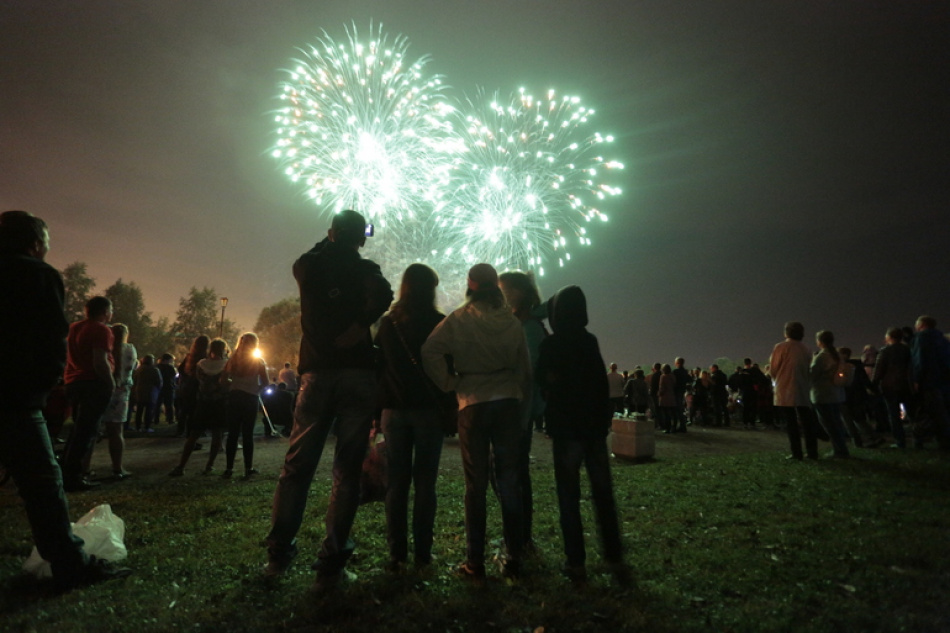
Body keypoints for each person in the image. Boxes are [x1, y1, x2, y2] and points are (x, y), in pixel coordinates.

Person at [0, 210, 130, 589]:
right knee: (42, 483)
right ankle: (70, 564)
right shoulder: (38, 275)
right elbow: (48, 341)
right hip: (16, 398)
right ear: (36, 243)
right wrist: (40, 388)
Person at [264, 209, 393, 589]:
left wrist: (331, 236)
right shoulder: (368, 269)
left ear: (332, 233)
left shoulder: (309, 267)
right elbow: (383, 293)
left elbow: (311, 257)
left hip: (317, 372)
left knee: (297, 467)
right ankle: (332, 562)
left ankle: (279, 553)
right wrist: (360, 324)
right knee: (347, 471)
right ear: (362, 238)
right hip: (356, 372)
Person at [422, 263, 532, 580]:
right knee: (509, 482)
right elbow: (525, 369)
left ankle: (475, 561)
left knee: (476, 485)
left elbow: (429, 350)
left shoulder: (458, 320)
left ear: (470, 286)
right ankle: (514, 556)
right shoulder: (511, 321)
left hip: (472, 403)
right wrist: (520, 400)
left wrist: (449, 381)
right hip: (507, 403)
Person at [535, 285, 627, 585]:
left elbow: (542, 382)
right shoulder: (590, 341)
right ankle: (614, 555)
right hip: (592, 429)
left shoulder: (551, 345)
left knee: (568, 496)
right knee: (602, 494)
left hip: (566, 429)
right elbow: (600, 385)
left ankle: (576, 562)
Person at [374, 263, 448, 570]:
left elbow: (378, 368)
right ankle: (423, 553)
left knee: (397, 484)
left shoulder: (388, 324)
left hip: (394, 409)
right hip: (429, 411)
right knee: (426, 483)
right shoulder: (440, 323)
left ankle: (396, 551)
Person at [498, 270, 548, 552]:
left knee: (512, 475)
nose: (500, 295)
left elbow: (526, 378)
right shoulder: (523, 324)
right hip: (515, 411)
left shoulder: (528, 328)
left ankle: (519, 538)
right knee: (513, 474)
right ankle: (518, 536)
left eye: (503, 289)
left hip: (516, 413)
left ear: (517, 293)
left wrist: (519, 417)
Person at [61, 295, 115, 491]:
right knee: (86, 431)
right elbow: (99, 360)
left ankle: (65, 471)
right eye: (110, 311)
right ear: (104, 311)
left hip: (73, 383)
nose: (111, 315)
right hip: (92, 383)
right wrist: (110, 383)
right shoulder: (101, 330)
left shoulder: (74, 328)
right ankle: (73, 476)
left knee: (77, 430)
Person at [169, 338, 229, 476]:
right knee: (217, 435)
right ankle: (209, 465)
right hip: (219, 403)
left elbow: (198, 380)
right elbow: (226, 383)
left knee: (194, 435)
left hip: (202, 403)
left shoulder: (201, 364)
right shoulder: (226, 365)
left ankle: (182, 465)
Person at [222, 333, 270, 480]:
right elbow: (266, 382)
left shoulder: (232, 360)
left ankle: (229, 468)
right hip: (250, 398)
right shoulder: (258, 361)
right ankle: (248, 468)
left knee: (233, 433)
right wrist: (256, 389)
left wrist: (233, 385)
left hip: (235, 397)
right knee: (248, 434)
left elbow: (223, 379)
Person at [770, 322, 819, 460]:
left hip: (785, 388)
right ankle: (812, 451)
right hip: (802, 388)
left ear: (786, 333)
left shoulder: (780, 347)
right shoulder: (806, 348)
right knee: (807, 422)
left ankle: (796, 452)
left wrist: (778, 379)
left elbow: (774, 369)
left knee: (791, 423)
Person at [101, 323, 137, 479]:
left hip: (104, 391)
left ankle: (84, 468)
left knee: (93, 430)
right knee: (116, 431)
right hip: (121, 393)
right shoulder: (130, 349)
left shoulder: (106, 349)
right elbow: (134, 366)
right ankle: (117, 467)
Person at [909, 315, 950, 450]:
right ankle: (942, 441)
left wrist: (916, 380)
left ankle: (920, 440)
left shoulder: (921, 338)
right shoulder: (942, 339)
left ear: (921, 325)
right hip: (943, 381)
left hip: (928, 381)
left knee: (928, 412)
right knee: (942, 413)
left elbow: (919, 361)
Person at [871, 327, 913, 448]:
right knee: (911, 413)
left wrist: (873, 384)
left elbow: (878, 370)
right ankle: (917, 439)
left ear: (889, 337)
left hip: (890, 386)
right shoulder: (907, 350)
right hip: (906, 385)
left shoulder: (885, 351)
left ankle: (900, 441)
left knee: (894, 415)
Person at [811, 330, 850, 458]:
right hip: (837, 394)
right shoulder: (837, 355)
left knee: (829, 425)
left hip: (823, 395)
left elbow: (812, 375)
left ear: (820, 342)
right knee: (837, 423)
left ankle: (839, 451)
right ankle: (842, 449)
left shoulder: (822, 357)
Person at [176, 335, 210, 440]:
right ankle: (193, 434)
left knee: (185, 410)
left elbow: (180, 368)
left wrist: (186, 376)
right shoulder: (205, 357)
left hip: (187, 387)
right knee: (195, 412)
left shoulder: (190, 356)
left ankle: (181, 430)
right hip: (197, 386)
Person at [132, 355, 162, 433]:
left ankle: (138, 427)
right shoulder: (154, 370)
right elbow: (159, 382)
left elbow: (134, 381)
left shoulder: (139, 370)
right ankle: (147, 427)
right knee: (149, 411)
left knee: (139, 411)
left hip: (139, 392)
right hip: (151, 392)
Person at [155, 353, 177, 425]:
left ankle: (156, 419)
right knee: (169, 405)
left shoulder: (157, 367)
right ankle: (170, 419)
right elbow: (173, 376)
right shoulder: (170, 368)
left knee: (158, 405)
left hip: (159, 388)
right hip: (169, 388)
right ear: (167, 360)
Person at [657, 364, 680, 433]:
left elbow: (662, 388)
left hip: (665, 398)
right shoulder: (673, 376)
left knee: (666, 414)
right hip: (672, 397)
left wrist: (659, 394)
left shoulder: (663, 377)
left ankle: (667, 428)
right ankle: (674, 428)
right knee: (673, 413)